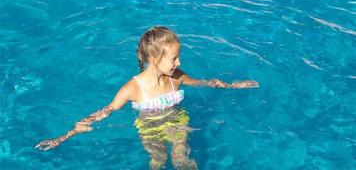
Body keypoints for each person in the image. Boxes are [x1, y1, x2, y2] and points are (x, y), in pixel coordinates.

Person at [35, 26, 259, 169]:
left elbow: (200, 82)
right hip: (149, 127)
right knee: (158, 161)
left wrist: (231, 85)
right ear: (153, 57)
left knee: (181, 159)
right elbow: (108, 110)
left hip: (177, 122)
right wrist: (66, 136)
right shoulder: (133, 88)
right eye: (174, 58)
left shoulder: (176, 77)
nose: (179, 63)